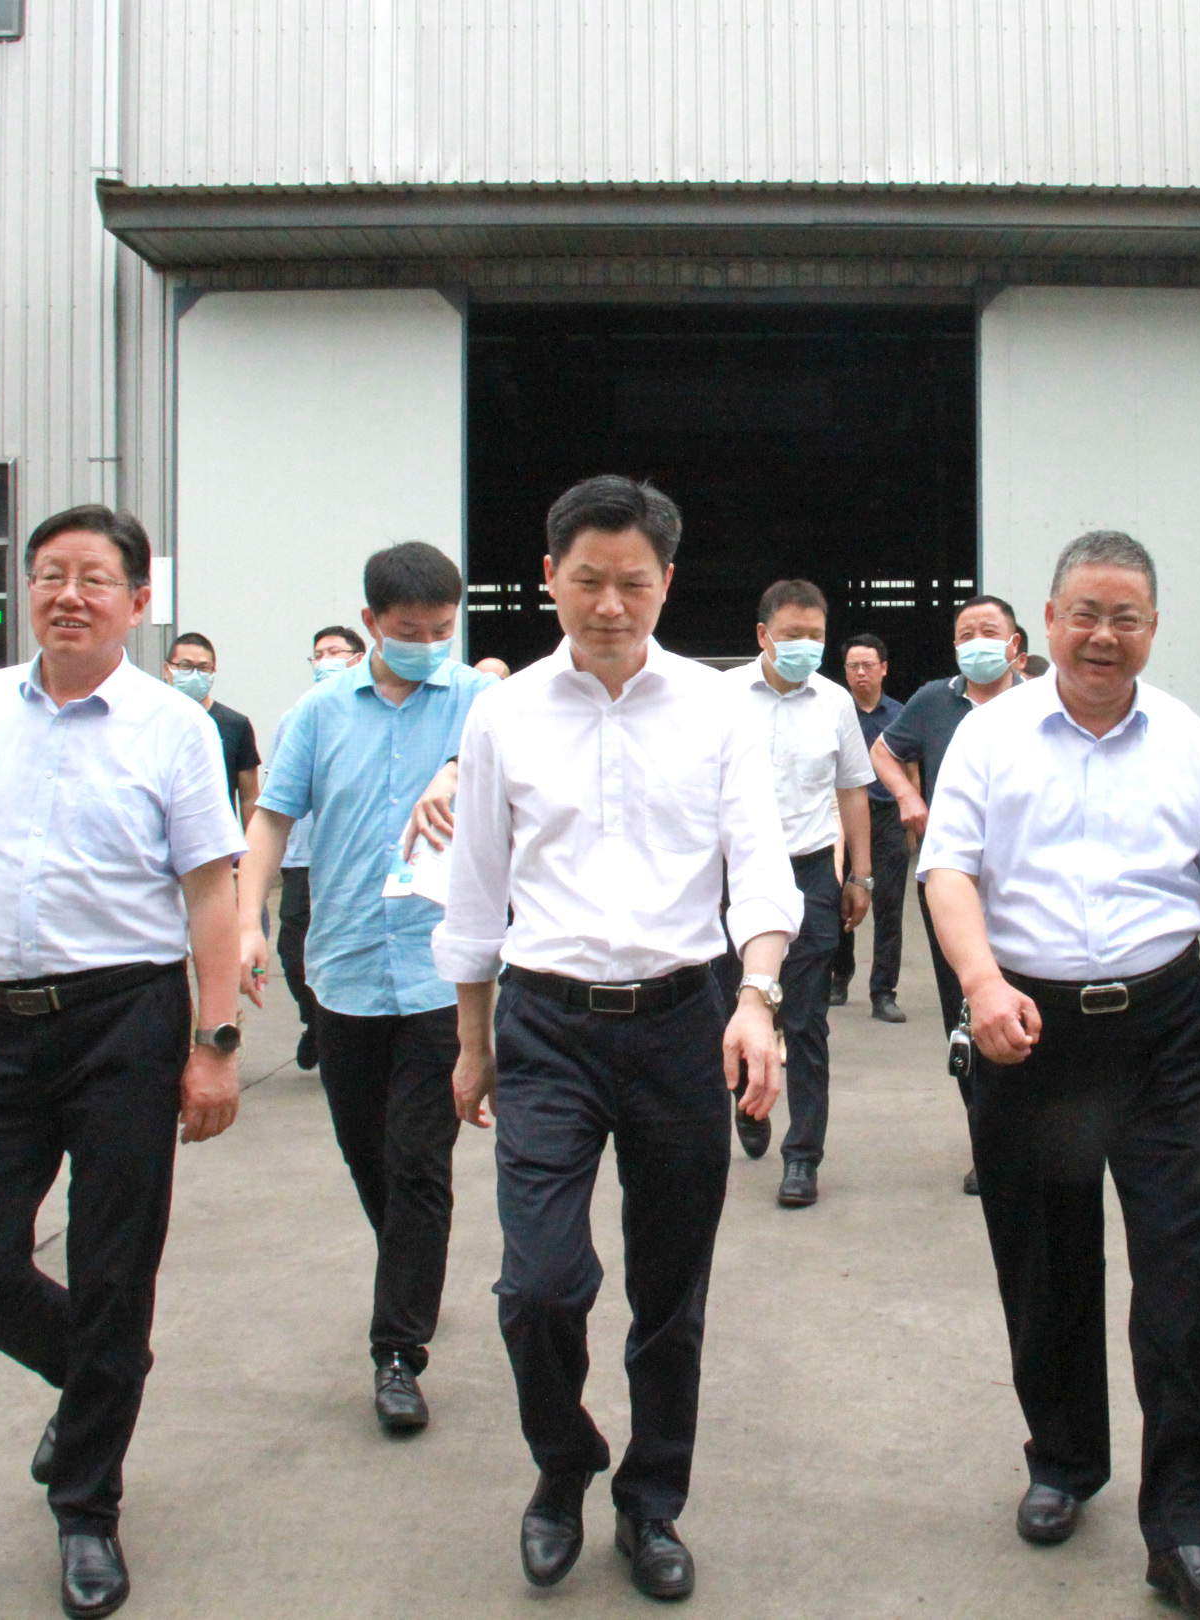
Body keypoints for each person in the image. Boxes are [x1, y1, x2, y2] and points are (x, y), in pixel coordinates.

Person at [922, 531, 1200, 1620]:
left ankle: (1184, 1528)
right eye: (1084, 614)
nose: (1103, 635)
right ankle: (1063, 1459)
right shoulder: (989, 738)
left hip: (1164, 1038)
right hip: (1028, 1034)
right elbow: (948, 872)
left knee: (1179, 1274)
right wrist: (980, 984)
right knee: (1045, 1265)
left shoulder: (1190, 743)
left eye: (1125, 617)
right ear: (1047, 623)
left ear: (1152, 629)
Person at [0, 504, 247, 1620]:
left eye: (93, 577)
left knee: (115, 1262)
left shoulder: (172, 728)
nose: (68, 595)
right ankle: (96, 1374)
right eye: (49, 574)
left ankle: (87, 1505)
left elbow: (211, 891)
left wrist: (213, 1045)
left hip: (124, 1021)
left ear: (138, 601)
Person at [435, 474, 797, 1603]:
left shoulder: (718, 710)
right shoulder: (502, 715)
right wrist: (473, 1041)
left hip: (683, 1021)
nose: (608, 605)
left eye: (632, 584)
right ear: (549, 578)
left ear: (667, 585)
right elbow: (476, 888)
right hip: (546, 1026)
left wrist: (756, 997)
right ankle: (563, 1465)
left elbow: (761, 867)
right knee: (540, 1285)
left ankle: (652, 1503)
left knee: (669, 1292)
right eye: (586, 581)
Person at [237, 547, 497, 1436]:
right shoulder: (317, 712)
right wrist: (246, 919)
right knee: (369, 1156)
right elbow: (273, 817)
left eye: (442, 629)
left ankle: (397, 1352)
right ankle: (411, 1269)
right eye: (409, 630)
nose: (428, 644)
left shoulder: (480, 702)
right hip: (344, 968)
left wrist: (457, 768)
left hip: (441, 973)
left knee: (419, 1160)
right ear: (371, 622)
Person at [709, 579, 872, 1207]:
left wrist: (859, 875)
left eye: (816, 636)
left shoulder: (834, 703)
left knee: (805, 1021)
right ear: (763, 635)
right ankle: (746, 1101)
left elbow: (852, 788)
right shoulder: (721, 697)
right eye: (792, 635)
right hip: (732, 876)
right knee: (733, 1003)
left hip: (808, 874)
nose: (806, 645)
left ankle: (802, 1155)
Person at [873, 594, 1027, 1195]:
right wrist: (909, 798)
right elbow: (884, 752)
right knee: (966, 1012)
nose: (976, 642)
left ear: (1015, 644)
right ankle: (987, 1141)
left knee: (1030, 1003)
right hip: (950, 885)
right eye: (966, 634)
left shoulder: (1043, 703)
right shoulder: (935, 701)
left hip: (1023, 888)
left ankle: (1033, 1135)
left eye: (989, 630)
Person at [263, 624, 366, 1071]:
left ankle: (340, 1027)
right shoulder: (299, 716)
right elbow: (274, 799)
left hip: (347, 856)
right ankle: (315, 1020)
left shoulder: (370, 715)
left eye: (334, 652)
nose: (325, 661)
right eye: (318, 654)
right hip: (301, 857)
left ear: (358, 658)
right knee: (293, 950)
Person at [829, 632, 911, 1022]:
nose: (860, 673)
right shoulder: (834, 711)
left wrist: (913, 821)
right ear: (845, 672)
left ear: (883, 669)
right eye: (853, 666)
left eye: (867, 665)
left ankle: (883, 992)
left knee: (889, 907)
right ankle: (839, 974)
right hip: (841, 819)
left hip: (887, 817)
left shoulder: (900, 715)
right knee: (836, 900)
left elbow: (911, 768)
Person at [164, 631, 259, 824]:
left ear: (213, 672)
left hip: (217, 836)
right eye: (185, 666)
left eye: (203, 668)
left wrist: (252, 842)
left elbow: (249, 797)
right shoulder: (153, 721)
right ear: (167, 669)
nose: (195, 674)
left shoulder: (236, 724)